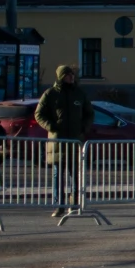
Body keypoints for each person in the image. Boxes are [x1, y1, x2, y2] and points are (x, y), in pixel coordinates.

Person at [35, 63, 93, 213]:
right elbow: (39, 114)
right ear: (61, 77)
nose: (71, 77)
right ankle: (58, 205)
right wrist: (51, 126)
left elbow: (89, 113)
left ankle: (74, 204)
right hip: (57, 142)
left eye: (72, 75)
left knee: (75, 176)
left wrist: (83, 128)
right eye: (68, 75)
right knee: (57, 176)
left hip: (74, 141)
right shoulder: (50, 94)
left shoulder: (79, 94)